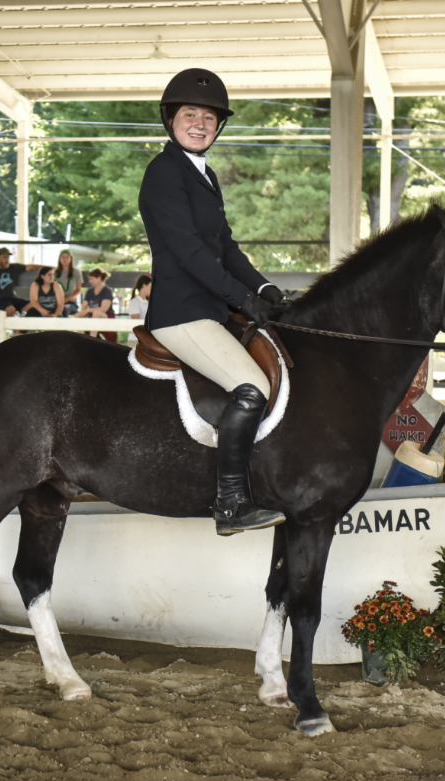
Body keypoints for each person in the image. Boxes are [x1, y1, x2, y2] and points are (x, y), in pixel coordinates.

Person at [137, 67, 287, 536]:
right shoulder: (164, 173)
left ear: (218, 126)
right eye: (190, 115)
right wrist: (240, 296)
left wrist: (264, 289)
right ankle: (230, 504)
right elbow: (190, 252)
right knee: (252, 387)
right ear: (171, 119)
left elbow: (226, 247)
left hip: (210, 310)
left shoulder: (205, 175)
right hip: (182, 312)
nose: (200, 124)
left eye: (208, 118)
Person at [75, 268, 117, 341]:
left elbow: (104, 309)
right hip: (92, 316)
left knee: (96, 313)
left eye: (92, 279)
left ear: (99, 278)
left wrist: (88, 311)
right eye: (89, 279)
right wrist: (85, 313)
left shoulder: (107, 291)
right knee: (78, 315)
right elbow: (83, 307)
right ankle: (82, 340)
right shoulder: (89, 291)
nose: (90, 281)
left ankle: (92, 339)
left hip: (107, 316)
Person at [54, 250, 83, 316]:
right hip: (57, 302)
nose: (65, 259)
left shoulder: (76, 271)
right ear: (59, 259)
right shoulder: (55, 272)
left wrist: (66, 299)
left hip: (71, 303)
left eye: (67, 257)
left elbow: (78, 290)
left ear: (71, 259)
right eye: (63, 257)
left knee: (63, 309)